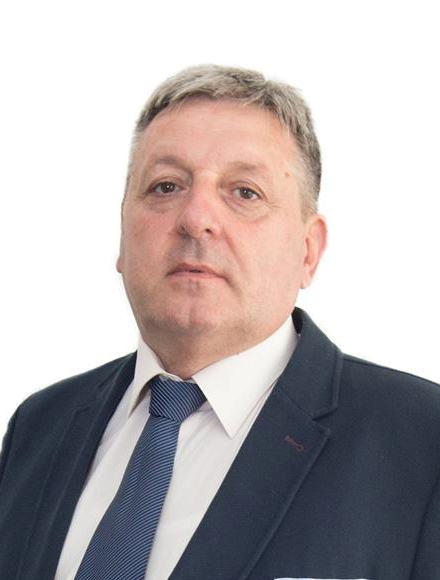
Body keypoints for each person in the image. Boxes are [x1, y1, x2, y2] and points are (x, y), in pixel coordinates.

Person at [0, 64, 439, 580]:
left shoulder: (422, 442)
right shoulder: (39, 426)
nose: (196, 218)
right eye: (166, 186)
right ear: (122, 233)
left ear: (308, 250)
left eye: (244, 192)